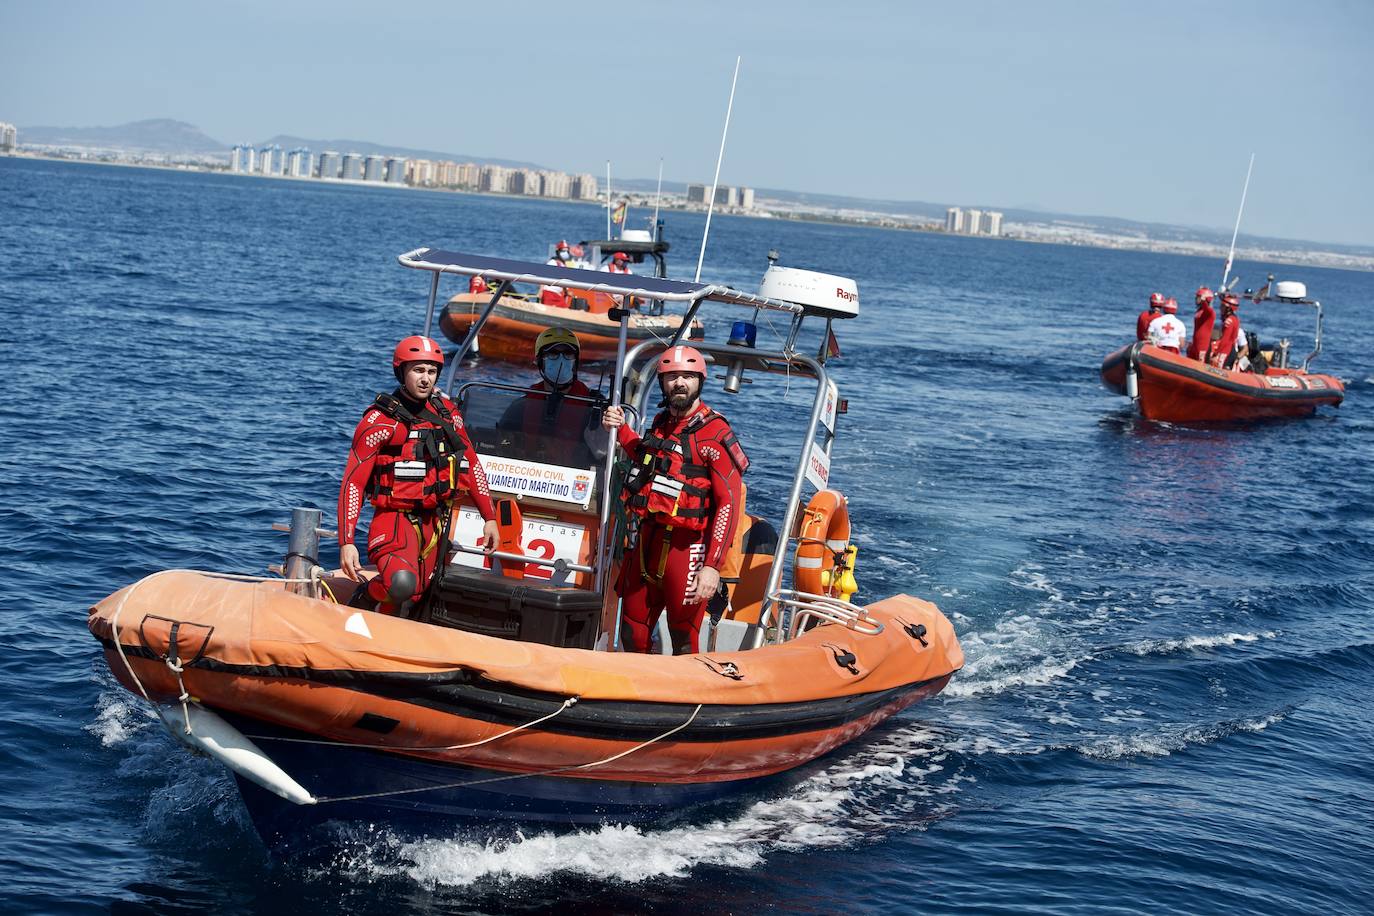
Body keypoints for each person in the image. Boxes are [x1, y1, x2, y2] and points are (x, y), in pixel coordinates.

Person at [602, 345, 748, 655]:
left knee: (682, 635)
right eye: (671, 377)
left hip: (687, 549)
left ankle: (683, 685)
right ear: (662, 382)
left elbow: (728, 503)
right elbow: (646, 460)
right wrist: (620, 428)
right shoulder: (660, 422)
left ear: (700, 380)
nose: (679, 383)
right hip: (646, 541)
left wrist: (712, 567)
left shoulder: (715, 433)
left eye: (687, 376)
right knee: (632, 630)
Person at [338, 336, 498, 615]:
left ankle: (385, 626)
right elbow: (354, 482)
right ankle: (366, 596)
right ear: (402, 372)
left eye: (432, 371)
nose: (426, 379)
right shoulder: (380, 422)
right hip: (394, 521)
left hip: (433, 523)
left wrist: (490, 518)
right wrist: (346, 541)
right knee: (401, 584)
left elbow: (471, 465)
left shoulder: (448, 414)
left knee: (418, 591)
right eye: (418, 370)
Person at [499, 327, 606, 464]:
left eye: (568, 353)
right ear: (540, 361)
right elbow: (502, 442)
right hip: (528, 470)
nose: (561, 359)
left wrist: (609, 426)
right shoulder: (522, 405)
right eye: (553, 353)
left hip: (574, 473)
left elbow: (601, 452)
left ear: (576, 361)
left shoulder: (593, 407)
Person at [1211, 292, 1245, 369]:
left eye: (1222, 306)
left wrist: (1216, 354)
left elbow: (1225, 340)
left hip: (1225, 352)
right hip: (1231, 351)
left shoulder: (1229, 321)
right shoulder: (1235, 319)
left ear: (1229, 309)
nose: (1220, 308)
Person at [540, 240, 575, 307]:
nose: (565, 253)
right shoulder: (553, 262)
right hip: (549, 293)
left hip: (557, 294)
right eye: (563, 251)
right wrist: (540, 291)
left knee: (564, 309)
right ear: (558, 252)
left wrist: (566, 292)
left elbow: (563, 281)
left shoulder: (563, 265)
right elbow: (543, 276)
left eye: (566, 251)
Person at [1187, 287, 1216, 362]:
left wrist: (1204, 302)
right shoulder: (1199, 311)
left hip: (1203, 346)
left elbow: (1208, 310)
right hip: (1195, 344)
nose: (1196, 299)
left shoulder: (1210, 313)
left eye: (1198, 297)